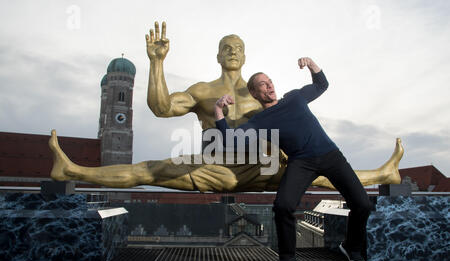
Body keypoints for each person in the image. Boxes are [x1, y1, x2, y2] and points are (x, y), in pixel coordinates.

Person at [48, 23, 404, 194]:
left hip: (265, 167)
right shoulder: (203, 91)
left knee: (325, 175)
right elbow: (161, 108)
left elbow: (301, 110)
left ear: (244, 55)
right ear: (218, 55)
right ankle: (72, 171)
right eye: (226, 46)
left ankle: (385, 173)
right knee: (150, 170)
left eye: (238, 47)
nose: (232, 50)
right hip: (218, 168)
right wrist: (156, 63)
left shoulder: (262, 95)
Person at [214, 57, 373, 261]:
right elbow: (231, 139)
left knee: (362, 204)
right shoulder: (262, 120)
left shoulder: (295, 97)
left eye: (269, 80)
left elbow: (321, 85)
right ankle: (288, 258)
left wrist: (311, 64)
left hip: (331, 156)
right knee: (282, 207)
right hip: (301, 162)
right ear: (254, 93)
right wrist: (218, 110)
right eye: (262, 83)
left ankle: (352, 247)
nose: (269, 85)